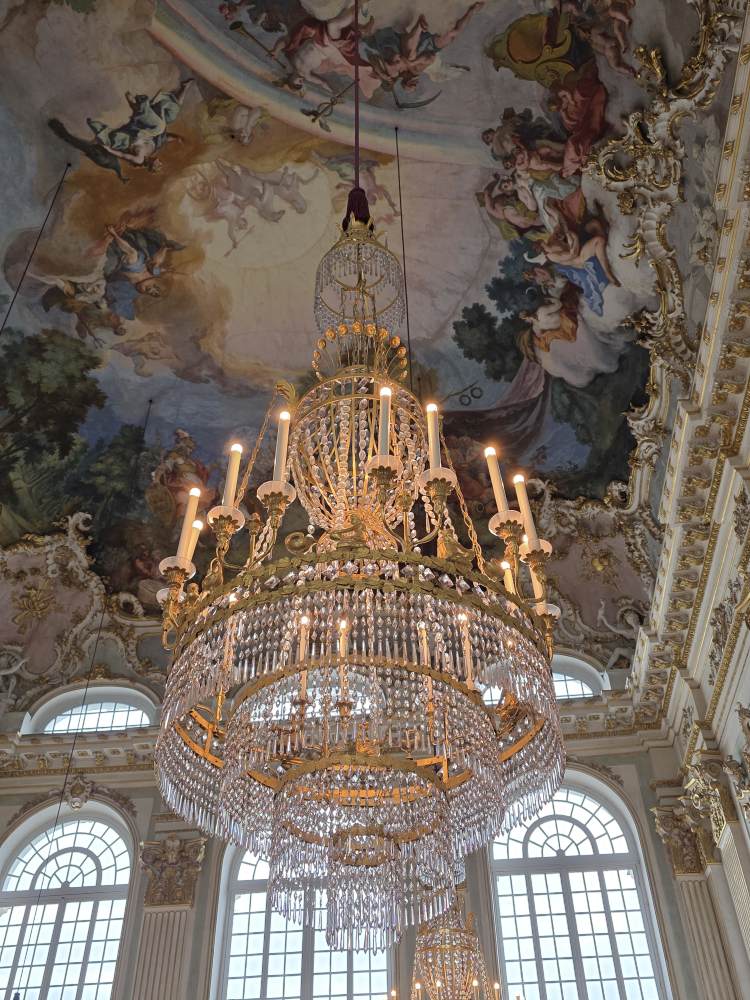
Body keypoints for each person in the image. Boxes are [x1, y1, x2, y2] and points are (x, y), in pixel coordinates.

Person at [86, 79, 194, 171]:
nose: (159, 161)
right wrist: (177, 138)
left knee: (160, 127)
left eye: (157, 164)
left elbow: (122, 155)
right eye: (159, 163)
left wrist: (108, 149)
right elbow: (164, 139)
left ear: (151, 165)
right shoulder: (153, 150)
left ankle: (139, 107)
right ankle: (184, 87)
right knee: (171, 115)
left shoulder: (139, 159)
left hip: (134, 132)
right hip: (147, 129)